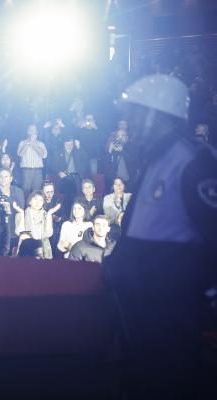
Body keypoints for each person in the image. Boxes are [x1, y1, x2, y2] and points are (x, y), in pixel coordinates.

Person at [104, 74, 217, 398]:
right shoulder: (154, 161)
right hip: (139, 318)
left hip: (170, 319)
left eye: (136, 114)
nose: (128, 123)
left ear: (158, 115)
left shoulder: (193, 162)